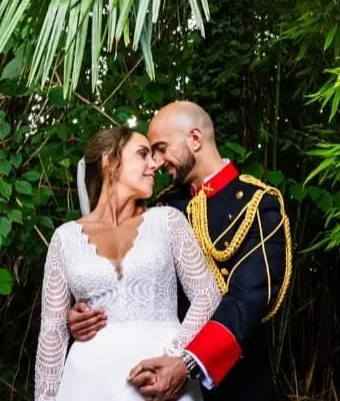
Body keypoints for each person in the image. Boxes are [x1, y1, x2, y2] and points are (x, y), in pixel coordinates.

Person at [68, 102, 292, 401]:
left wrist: (188, 362)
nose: (157, 162)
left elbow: (249, 297)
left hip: (235, 383)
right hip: (157, 381)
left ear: (195, 139)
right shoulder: (162, 209)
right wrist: (85, 314)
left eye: (161, 148)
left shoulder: (256, 203)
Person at [33, 126, 222, 401]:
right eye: (143, 154)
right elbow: (51, 336)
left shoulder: (168, 221)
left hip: (161, 382)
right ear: (109, 161)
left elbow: (208, 293)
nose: (154, 164)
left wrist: (177, 358)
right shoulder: (64, 239)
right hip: (87, 382)